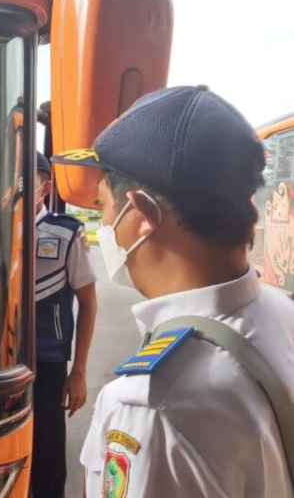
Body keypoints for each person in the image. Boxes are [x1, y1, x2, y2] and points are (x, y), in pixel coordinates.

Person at [52, 85, 294, 498]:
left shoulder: (149, 407)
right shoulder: (279, 313)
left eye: (103, 205)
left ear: (141, 214)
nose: (104, 223)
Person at [30, 152, 98, 498]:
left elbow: (88, 303)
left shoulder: (67, 232)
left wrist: (79, 371)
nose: (20, 185)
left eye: (29, 177)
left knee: (48, 458)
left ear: (46, 186)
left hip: (48, 365)